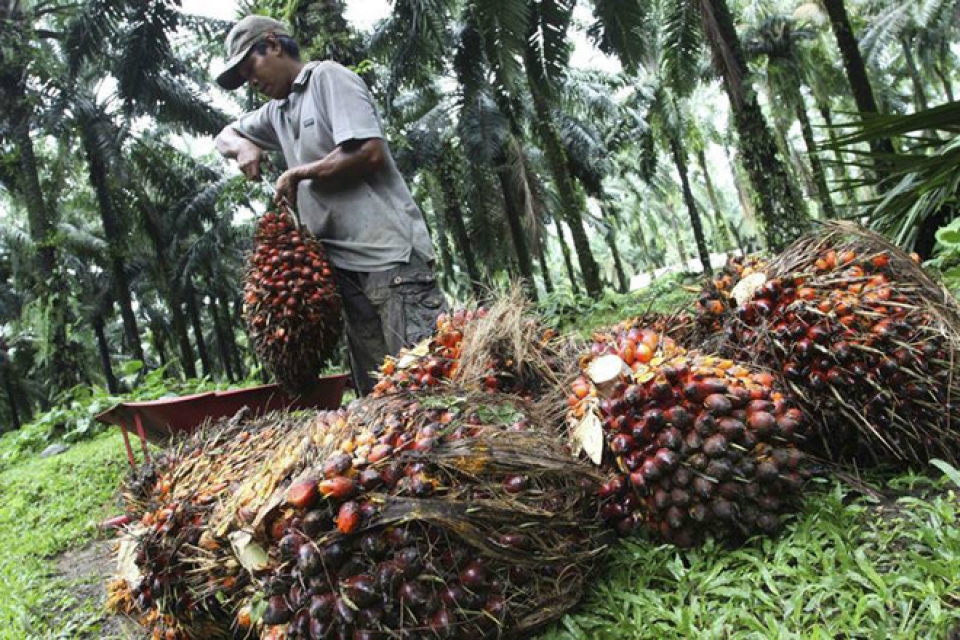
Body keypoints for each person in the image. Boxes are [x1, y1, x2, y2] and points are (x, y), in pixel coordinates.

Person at [214, 15, 445, 396]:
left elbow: (368, 152)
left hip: (392, 264)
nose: (251, 82)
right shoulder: (278, 112)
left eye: (250, 67)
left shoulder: (327, 79)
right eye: (242, 78)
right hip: (344, 276)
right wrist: (243, 145)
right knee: (383, 398)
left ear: (272, 44)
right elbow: (224, 134)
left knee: (433, 385)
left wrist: (299, 174)